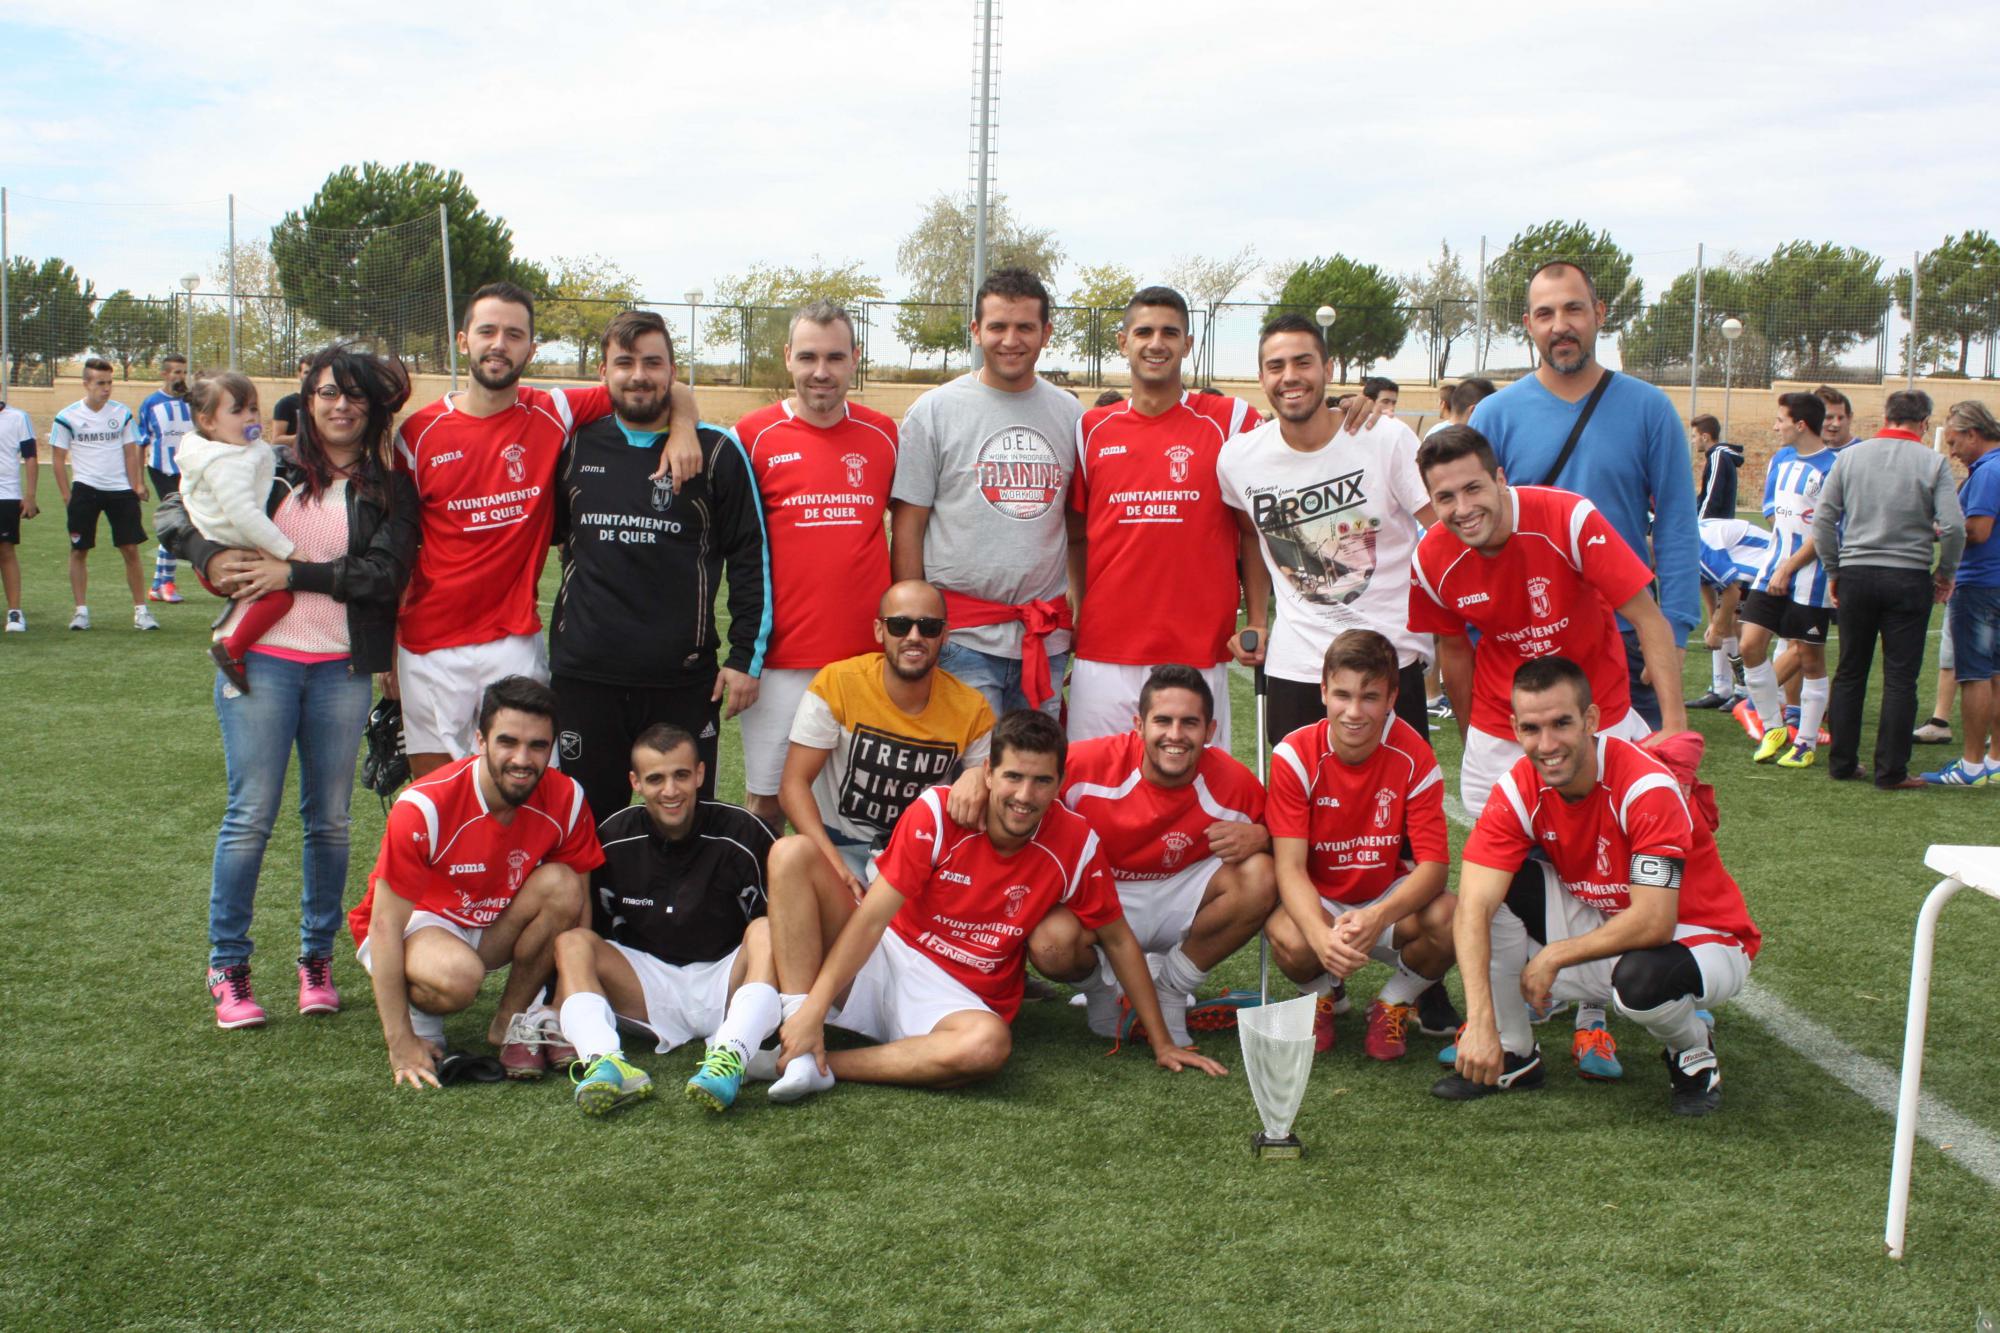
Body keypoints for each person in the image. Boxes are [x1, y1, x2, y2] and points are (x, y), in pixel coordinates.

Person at [739, 709, 1225, 1106]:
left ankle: (816, 1065)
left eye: (1041, 781)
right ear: (987, 773)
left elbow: (1118, 939)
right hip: (885, 956)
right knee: (791, 852)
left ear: (1060, 782)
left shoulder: (1076, 842)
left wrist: (1162, 1042)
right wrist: (813, 1009)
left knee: (987, 1047)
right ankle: (799, 1025)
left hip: (959, 997)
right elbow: (871, 921)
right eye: (1012, 776)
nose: (1024, 796)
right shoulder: (938, 811)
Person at [157, 344, 419, 1029]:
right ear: (307, 400)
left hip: (341, 666)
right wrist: (208, 554)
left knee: (329, 821)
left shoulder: (389, 486)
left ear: (373, 407)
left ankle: (316, 961)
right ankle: (229, 967)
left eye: (355, 394)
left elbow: (384, 575)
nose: (340, 405)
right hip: (262, 661)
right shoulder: (266, 461)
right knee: (251, 816)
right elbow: (174, 509)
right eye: (328, 392)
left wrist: (293, 575)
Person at [393, 282, 701, 777]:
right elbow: (398, 548)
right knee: (434, 788)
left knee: (526, 785)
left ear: (531, 349)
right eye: (487, 331)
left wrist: (683, 429)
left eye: (514, 335)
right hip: (426, 644)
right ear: (463, 341)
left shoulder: (552, 412)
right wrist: (389, 648)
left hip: (513, 640)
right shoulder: (416, 435)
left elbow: (657, 384)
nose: (499, 344)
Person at [1435, 657, 1761, 1116]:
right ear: (1514, 729)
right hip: (1606, 920)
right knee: (1492, 895)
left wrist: (1554, 955)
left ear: (1590, 720)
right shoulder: (1517, 788)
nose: (1547, 745)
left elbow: (1654, 922)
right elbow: (1472, 906)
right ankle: (1512, 1051)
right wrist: (1481, 1022)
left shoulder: (1645, 785)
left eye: (1561, 723)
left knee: (1642, 981)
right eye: (1531, 728)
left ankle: (1692, 1051)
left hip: (1701, 934)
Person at [547, 309, 767, 822]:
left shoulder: (717, 452)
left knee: (684, 827)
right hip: (585, 679)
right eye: (625, 363)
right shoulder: (576, 446)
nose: (639, 375)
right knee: (584, 827)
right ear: (603, 372)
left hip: (681, 682)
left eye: (652, 362)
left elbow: (750, 557)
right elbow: (555, 536)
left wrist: (744, 658)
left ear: (672, 371)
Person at [1469, 262, 1699, 728]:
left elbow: (1677, 524)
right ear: (1529, 324)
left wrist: (1673, 632)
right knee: (1533, 776)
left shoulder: (1649, 409)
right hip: (1527, 641)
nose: (1560, 325)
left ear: (1599, 313)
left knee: (1641, 772)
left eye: (1573, 309)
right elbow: (1469, 533)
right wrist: (1478, 636)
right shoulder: (1494, 416)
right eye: (1545, 313)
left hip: (1626, 635)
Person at [1409, 425, 1685, 814]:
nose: (1463, 509)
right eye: (1445, 498)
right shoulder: (1429, 559)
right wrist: (1474, 736)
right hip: (1501, 719)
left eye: (1473, 489)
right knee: (1502, 838)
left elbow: (1648, 619)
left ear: (1499, 479)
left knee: (1619, 828)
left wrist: (1674, 726)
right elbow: (1454, 652)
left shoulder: (1569, 518)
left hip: (1595, 707)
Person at [350, 676, 605, 1088]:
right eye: (508, 742)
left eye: (537, 745)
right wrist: (400, 1042)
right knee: (458, 978)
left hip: (487, 921)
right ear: (480, 741)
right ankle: (419, 1014)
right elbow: (383, 925)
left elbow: (581, 908)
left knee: (565, 886)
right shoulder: (424, 805)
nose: (522, 759)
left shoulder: (567, 797)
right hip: (417, 923)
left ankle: (510, 1022)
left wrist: (565, 1004)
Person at [1221, 313, 1436, 745]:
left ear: (1328, 369)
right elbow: (1252, 535)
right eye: (1276, 366)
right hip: (1297, 666)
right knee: (1297, 789)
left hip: (1388, 659)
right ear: (1261, 378)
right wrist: (1257, 619)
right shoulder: (1238, 459)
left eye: (1303, 362)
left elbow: (1440, 530)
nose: (1290, 376)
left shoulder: (1385, 437)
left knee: (1399, 789)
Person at [549, 724, 780, 1116]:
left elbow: (788, 929)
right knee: (571, 942)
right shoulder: (613, 838)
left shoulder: (744, 832)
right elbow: (594, 935)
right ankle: (605, 1061)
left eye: (681, 775)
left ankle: (732, 1054)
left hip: (726, 980)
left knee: (768, 930)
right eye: (656, 779)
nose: (670, 790)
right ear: (635, 783)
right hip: (647, 985)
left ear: (700, 775)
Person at [1067, 286, 1260, 746]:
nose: (1157, 343)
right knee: (1093, 778)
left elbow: (1253, 531)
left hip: (1198, 647)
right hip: (1105, 648)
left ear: (1188, 344)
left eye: (1170, 333)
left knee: (1192, 782)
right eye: (1144, 332)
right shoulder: (1090, 429)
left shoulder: (1231, 420)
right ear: (1123, 342)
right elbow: (1077, 536)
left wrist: (1257, 618)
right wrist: (1079, 611)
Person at [732, 302, 897, 830]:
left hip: (865, 660)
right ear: (788, 357)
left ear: (855, 359)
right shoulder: (752, 436)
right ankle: (761, 887)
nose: (820, 371)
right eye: (807, 357)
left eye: (834, 357)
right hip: (780, 661)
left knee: (856, 809)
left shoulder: (885, 435)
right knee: (767, 803)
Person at [890, 267, 1083, 719]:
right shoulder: (934, 411)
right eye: (998, 326)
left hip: (1043, 639)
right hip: (961, 639)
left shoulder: (1070, 414)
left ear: (1046, 333)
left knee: (1034, 764)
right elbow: (908, 527)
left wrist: (1079, 613)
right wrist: (918, 624)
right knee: (970, 764)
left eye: (1025, 327)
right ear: (976, 331)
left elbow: (1077, 531)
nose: (1010, 340)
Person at [1053, 664, 1276, 1047]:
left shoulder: (1234, 782)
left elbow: (1296, 838)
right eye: (1163, 721)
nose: (1175, 735)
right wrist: (977, 777)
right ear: (1139, 726)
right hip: (1104, 898)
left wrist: (1263, 835)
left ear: (1210, 731)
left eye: (1189, 723)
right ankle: (1103, 994)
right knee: (1050, 943)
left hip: (1180, 897)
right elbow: (1023, 796)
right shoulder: (1083, 764)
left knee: (1261, 874)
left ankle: (1172, 989)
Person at [1263, 631, 1459, 1060]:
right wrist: (1319, 935)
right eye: (1342, 695)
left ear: (1391, 698)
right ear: (1323, 692)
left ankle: (1393, 1002)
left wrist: (1377, 916)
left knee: (1452, 918)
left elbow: (1434, 868)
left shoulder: (1416, 755)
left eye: (1369, 697)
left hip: (1384, 898)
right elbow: (1289, 867)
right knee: (1286, 934)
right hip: (1322, 899)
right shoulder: (1294, 754)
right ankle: (1321, 996)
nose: (1354, 712)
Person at [771, 579, 993, 900]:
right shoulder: (838, 683)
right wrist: (835, 866)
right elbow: (793, 784)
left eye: (928, 627)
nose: (914, 636)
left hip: (916, 850)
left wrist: (977, 775)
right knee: (799, 875)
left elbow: (995, 787)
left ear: (945, 635)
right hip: (838, 844)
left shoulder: (972, 708)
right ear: (879, 630)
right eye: (899, 625)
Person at [1813, 390, 1965, 789]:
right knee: (1900, 678)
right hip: (1908, 576)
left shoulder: (1850, 457)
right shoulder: (1932, 462)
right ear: (1924, 423)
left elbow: (1823, 519)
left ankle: (1842, 763)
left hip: (1856, 574)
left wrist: (1834, 568)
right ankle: (1891, 771)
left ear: (1885, 416)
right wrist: (1945, 572)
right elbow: (1954, 527)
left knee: (1850, 671)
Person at [173, 372, 297, 690]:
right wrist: (288, 551)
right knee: (280, 597)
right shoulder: (227, 463)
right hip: (226, 556)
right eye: (238, 410)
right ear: (208, 422)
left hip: (227, 549)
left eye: (253, 408)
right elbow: (244, 514)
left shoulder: (231, 450)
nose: (250, 417)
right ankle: (233, 649)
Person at [1736, 393, 1834, 769]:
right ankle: (1773, 727)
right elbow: (1773, 512)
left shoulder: (1833, 468)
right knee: (1750, 645)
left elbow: (1826, 530)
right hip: (1772, 567)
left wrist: (1790, 566)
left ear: (1800, 425)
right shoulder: (1781, 460)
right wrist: (1780, 560)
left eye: (1781, 420)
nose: (1776, 427)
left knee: (1810, 658)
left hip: (1811, 575)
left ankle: (1805, 742)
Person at [1921, 402, 2000, 786]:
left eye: (1954, 442)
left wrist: (1937, 529)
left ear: (1973, 434)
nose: (1952, 452)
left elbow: (1977, 530)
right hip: (1993, 582)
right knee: (1995, 674)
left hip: (1981, 584)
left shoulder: (1988, 471)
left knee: (1975, 675)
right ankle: (1994, 761)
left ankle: (1971, 767)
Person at [50, 359, 154, 632]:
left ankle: (141, 611)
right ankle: (81, 612)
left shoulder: (122, 413)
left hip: (120, 490)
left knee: (130, 549)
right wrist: (66, 495)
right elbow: (58, 458)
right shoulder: (67, 416)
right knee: (79, 550)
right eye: (100, 383)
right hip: (85, 489)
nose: (106, 388)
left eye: (109, 383)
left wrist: (135, 485)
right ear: (86, 384)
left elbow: (130, 452)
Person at [1689, 516, 1770, 709]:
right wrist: (1713, 622)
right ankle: (1721, 689)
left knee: (1740, 625)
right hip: (1740, 564)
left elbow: (1731, 592)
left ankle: (1744, 691)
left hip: (1761, 560)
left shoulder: (1698, 548)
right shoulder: (1687, 542)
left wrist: (1717, 630)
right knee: (1725, 620)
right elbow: (1704, 581)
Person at [138, 353, 195, 601]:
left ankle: (158, 585)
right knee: (175, 522)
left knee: (182, 522)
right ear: (164, 374)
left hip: (187, 470)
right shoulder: (151, 403)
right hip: (161, 470)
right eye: (176, 372)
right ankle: (166, 583)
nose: (181, 377)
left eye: (183, 372)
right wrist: (139, 481)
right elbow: (141, 441)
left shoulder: (192, 402)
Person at [0, 394, 38, 632]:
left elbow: (30, 456)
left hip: (6, 494)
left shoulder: (18, 417)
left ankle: (14, 612)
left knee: (5, 551)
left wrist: (30, 496)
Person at [1691, 414, 1742, 522]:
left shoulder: (1718, 457)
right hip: (1717, 526)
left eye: (1694, 436)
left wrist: (1700, 525)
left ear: (1704, 437)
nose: (1693, 441)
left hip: (1714, 527)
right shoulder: (1718, 456)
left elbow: (1712, 498)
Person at [269, 357, 311, 450]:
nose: (311, 377)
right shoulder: (286, 404)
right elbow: (276, 440)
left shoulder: (328, 404)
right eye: (307, 372)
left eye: (314, 372)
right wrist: (306, 437)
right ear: (299, 375)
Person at [1815, 384, 1862, 452]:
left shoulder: (1862, 452)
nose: (1836, 424)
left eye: (1841, 418)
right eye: (1829, 417)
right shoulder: (1805, 452)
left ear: (1849, 418)